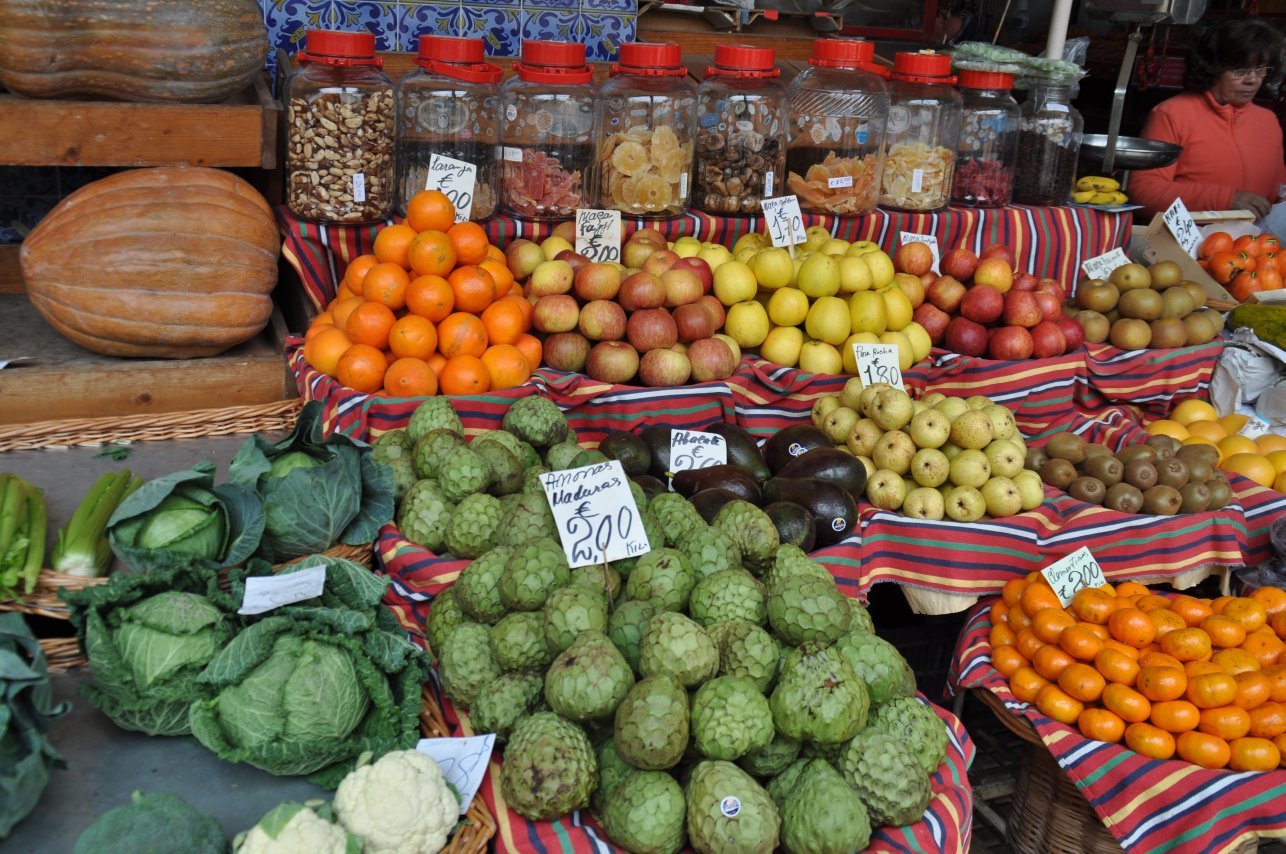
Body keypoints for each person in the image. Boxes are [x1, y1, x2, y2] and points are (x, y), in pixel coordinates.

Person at [1129, 17, 1286, 219]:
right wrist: (1226, 200)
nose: (1252, 80)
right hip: (1186, 245)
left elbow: (1279, 190)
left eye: (1261, 68)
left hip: (1253, 246)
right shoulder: (1172, 114)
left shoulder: (1268, 120)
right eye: (1240, 70)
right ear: (1213, 67)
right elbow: (1144, 193)